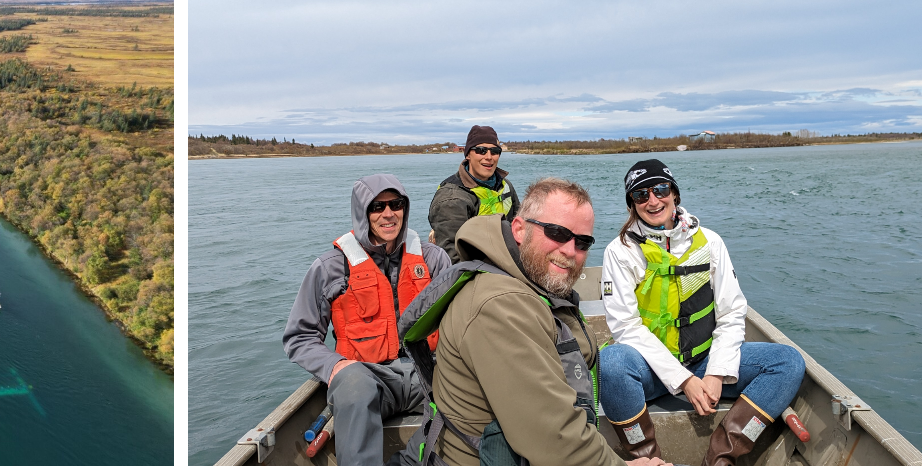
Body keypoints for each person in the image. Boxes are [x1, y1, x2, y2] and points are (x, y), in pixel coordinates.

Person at [424, 178, 665, 466]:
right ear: (519, 229)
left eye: (583, 242)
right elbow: (554, 437)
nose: (569, 250)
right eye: (556, 233)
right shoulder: (500, 306)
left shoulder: (532, 288)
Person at [598, 160, 805, 465]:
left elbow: (733, 312)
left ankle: (723, 457)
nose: (653, 201)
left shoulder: (711, 241)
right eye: (641, 195)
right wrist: (684, 381)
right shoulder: (619, 251)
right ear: (632, 204)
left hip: (705, 358)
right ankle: (646, 458)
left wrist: (717, 373)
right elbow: (626, 327)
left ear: (675, 194)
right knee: (612, 363)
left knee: (788, 362)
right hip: (650, 370)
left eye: (660, 189)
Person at [283, 173, 453, 465]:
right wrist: (335, 366)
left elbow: (457, 323)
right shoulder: (330, 268)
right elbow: (299, 337)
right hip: (368, 378)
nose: (388, 214)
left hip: (426, 373)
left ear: (405, 209)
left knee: (469, 389)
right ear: (362, 212)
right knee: (353, 385)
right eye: (377, 207)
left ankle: (412, 461)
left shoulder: (434, 259)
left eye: (396, 204)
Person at [428, 125, 519, 262]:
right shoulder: (451, 198)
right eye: (481, 151)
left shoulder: (505, 186)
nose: (489, 157)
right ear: (468, 154)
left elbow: (521, 225)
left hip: (508, 261)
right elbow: (452, 257)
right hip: (476, 270)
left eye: (494, 151)